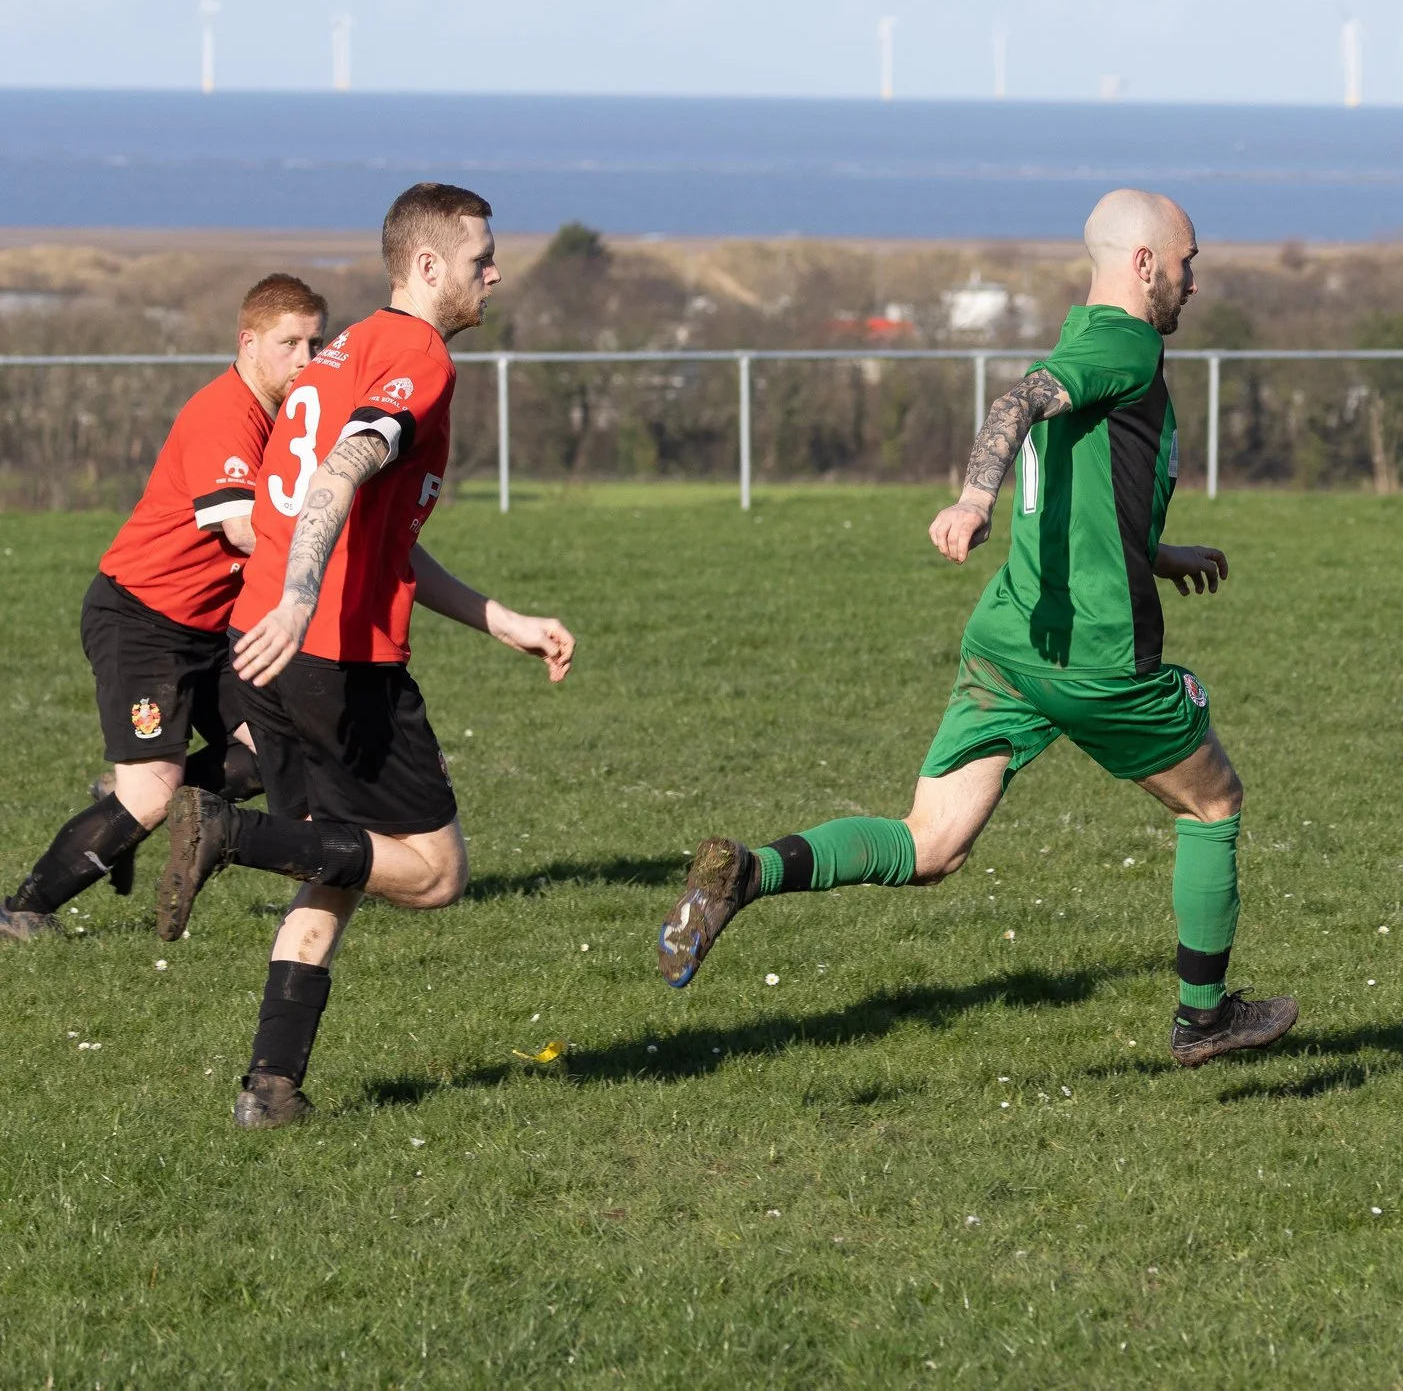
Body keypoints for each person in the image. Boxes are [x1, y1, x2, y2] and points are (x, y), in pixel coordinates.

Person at [655, 188, 1296, 1067]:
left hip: (1008, 644)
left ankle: (748, 871)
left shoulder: (1084, 339)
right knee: (1214, 801)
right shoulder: (1126, 343)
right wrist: (972, 497)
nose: (1194, 282)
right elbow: (1017, 403)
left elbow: (1086, 491)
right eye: (1188, 262)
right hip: (1093, 653)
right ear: (1145, 265)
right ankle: (1203, 1017)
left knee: (930, 846)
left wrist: (1158, 551)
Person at [153, 183, 577, 1129]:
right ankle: (230, 833)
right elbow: (344, 471)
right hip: (333, 652)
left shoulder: (339, 353)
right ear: (429, 267)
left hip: (265, 642)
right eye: (481, 259)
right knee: (433, 873)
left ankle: (270, 1086)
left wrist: (495, 616)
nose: (494, 273)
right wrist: (305, 596)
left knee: (343, 861)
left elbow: (378, 535)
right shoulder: (417, 358)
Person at [1, 275, 328, 942]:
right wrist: (326, 548)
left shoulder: (289, 420)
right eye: (289, 342)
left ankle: (130, 809)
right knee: (150, 790)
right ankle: (22, 911)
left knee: (274, 745)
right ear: (248, 342)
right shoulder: (224, 412)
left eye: (315, 342)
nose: (305, 358)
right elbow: (240, 527)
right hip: (142, 620)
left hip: (214, 629)